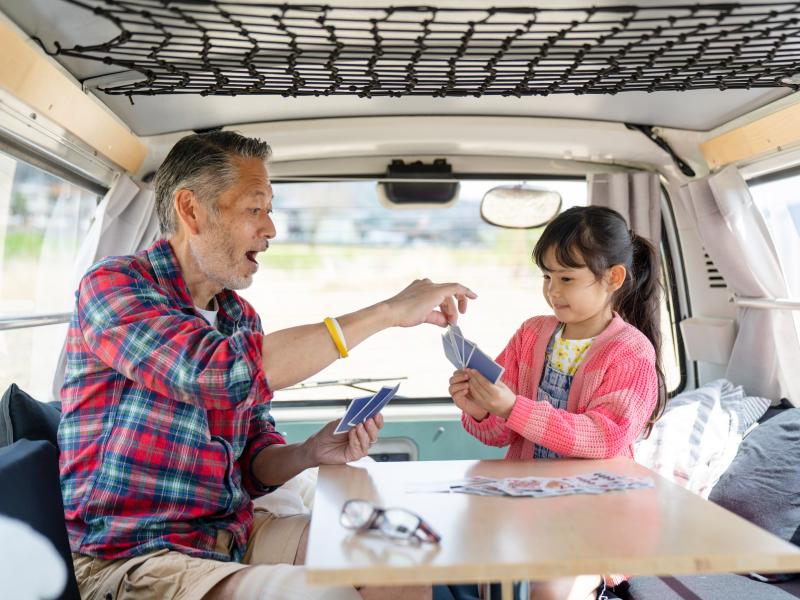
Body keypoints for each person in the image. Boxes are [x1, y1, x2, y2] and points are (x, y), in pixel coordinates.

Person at [58, 131, 476, 600]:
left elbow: (253, 461)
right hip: (132, 556)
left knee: (397, 554)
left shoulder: (239, 318)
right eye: (254, 209)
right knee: (324, 596)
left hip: (227, 537)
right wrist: (387, 312)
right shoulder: (114, 286)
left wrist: (310, 452)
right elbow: (215, 373)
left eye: (269, 210)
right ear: (192, 210)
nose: (271, 228)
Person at [445, 206, 664, 600]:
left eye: (566, 278)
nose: (553, 290)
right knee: (485, 582)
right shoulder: (530, 334)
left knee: (547, 591)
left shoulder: (631, 351)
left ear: (613, 278)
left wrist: (512, 407)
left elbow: (604, 437)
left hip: (597, 515)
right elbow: (500, 433)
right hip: (526, 506)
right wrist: (480, 409)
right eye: (546, 277)